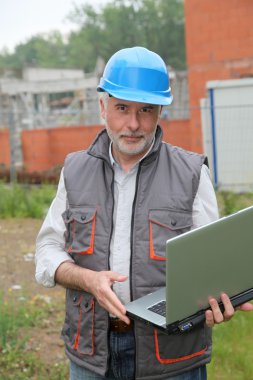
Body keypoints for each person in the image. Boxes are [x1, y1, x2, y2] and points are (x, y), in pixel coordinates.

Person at [35, 46, 253, 380]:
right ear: (102, 108)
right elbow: (48, 250)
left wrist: (218, 301)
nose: (133, 124)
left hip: (173, 359)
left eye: (146, 110)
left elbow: (214, 267)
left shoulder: (192, 173)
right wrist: (87, 280)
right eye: (122, 108)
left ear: (160, 112)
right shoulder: (75, 171)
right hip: (92, 355)